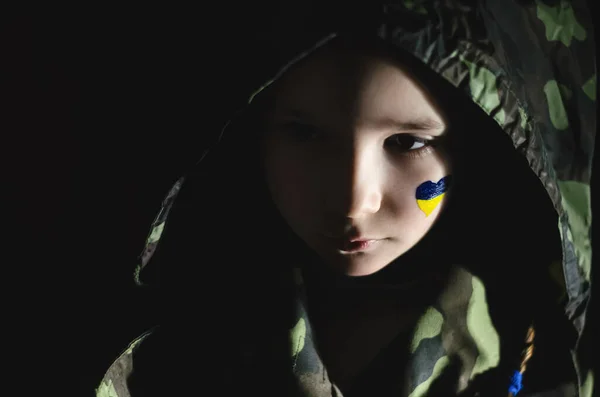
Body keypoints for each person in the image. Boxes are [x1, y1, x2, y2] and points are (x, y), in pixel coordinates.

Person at [96, 1, 595, 396]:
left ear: (482, 143)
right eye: (305, 134)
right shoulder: (173, 349)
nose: (354, 202)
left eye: (407, 142)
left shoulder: (542, 351)